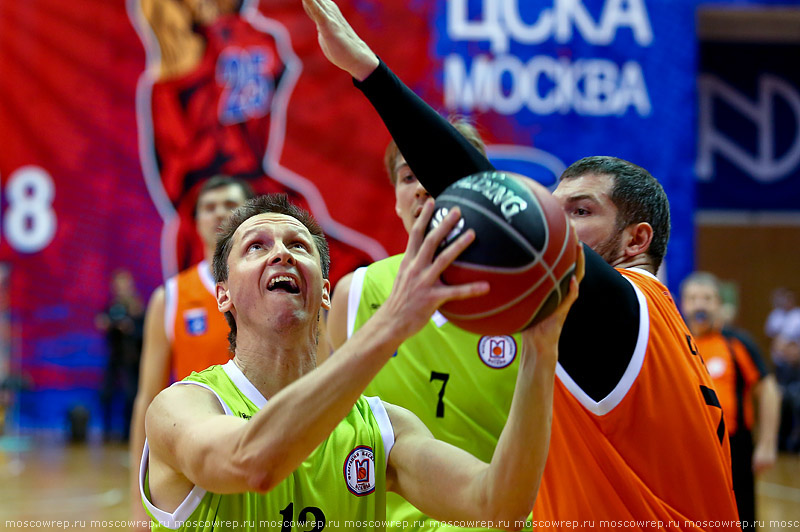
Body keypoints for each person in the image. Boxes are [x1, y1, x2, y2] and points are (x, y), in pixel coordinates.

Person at [302, 0, 742, 527]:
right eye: (552, 209)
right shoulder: (645, 330)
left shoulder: (627, 313)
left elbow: (487, 202)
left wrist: (369, 72)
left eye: (578, 212)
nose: (554, 224)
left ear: (635, 240)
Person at [139, 193, 581, 531]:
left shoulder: (383, 426)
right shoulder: (181, 408)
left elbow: (498, 504)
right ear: (224, 294)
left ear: (325, 291)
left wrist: (540, 352)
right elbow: (250, 462)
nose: (281, 253)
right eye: (255, 246)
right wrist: (390, 323)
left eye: (299, 245)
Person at [327, 119, 528, 532]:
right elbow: (329, 429)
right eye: (407, 176)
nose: (421, 186)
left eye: (438, 169)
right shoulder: (355, 293)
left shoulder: (526, 296)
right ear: (397, 199)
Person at [134, 0, 380, 279]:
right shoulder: (252, 41)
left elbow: (177, 173)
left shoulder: (213, 50)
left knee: (324, 277)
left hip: (243, 198)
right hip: (232, 204)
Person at [129, 175, 253, 528]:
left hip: (263, 451)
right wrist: (140, 503)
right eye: (208, 208)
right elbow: (147, 399)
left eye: (230, 205)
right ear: (196, 221)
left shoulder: (270, 290)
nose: (218, 214)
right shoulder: (169, 298)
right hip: (193, 464)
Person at [680, 272, 782, 527]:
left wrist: (767, 444)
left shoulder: (737, 342)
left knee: (741, 517)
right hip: (690, 449)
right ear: (683, 304)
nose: (700, 305)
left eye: (707, 298)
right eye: (693, 298)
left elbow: (768, 390)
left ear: (719, 305)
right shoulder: (677, 342)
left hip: (735, 446)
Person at [96, 269, 145, 441]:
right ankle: (107, 432)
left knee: (131, 395)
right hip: (115, 356)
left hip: (131, 358)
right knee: (106, 393)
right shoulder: (113, 306)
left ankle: (128, 433)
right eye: (119, 285)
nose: (122, 288)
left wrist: (130, 327)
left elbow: (143, 332)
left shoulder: (137, 308)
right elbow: (102, 322)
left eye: (125, 284)